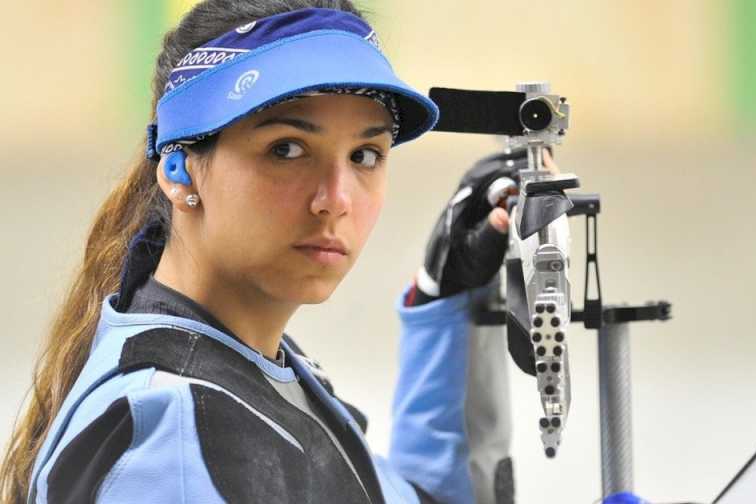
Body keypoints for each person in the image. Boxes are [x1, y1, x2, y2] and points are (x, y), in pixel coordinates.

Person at [0, 1, 538, 502]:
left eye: (366, 155)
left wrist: (447, 299)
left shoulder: (250, 374)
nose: (336, 199)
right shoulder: (180, 432)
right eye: (287, 149)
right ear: (179, 168)